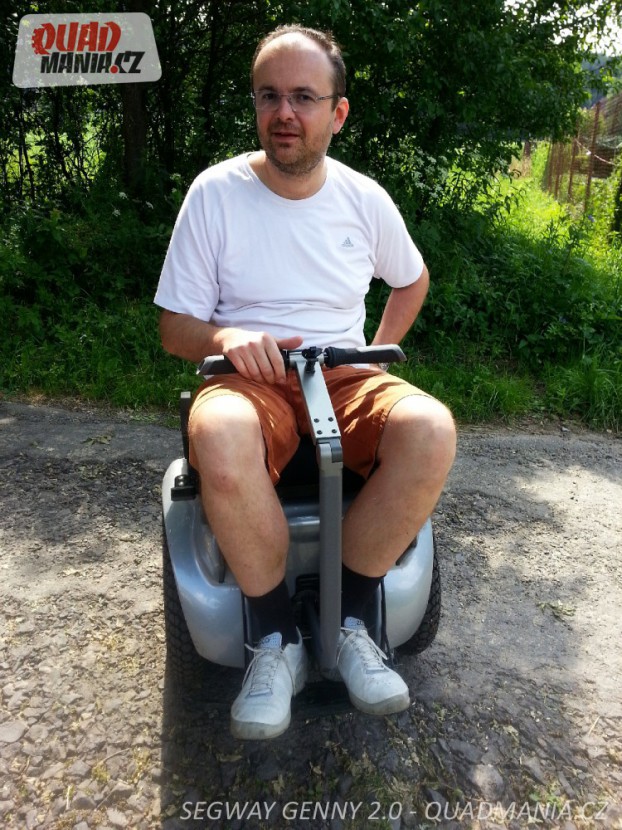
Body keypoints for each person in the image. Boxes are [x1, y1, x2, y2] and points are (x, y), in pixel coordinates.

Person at [155, 24, 456, 740]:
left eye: (302, 97)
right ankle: (274, 639)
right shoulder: (215, 193)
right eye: (269, 96)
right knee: (218, 432)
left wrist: (374, 353)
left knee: (430, 428)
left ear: (337, 112)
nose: (283, 112)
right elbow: (174, 328)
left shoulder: (363, 198)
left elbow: (411, 280)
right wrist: (225, 337)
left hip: (343, 375)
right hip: (248, 379)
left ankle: (351, 624)